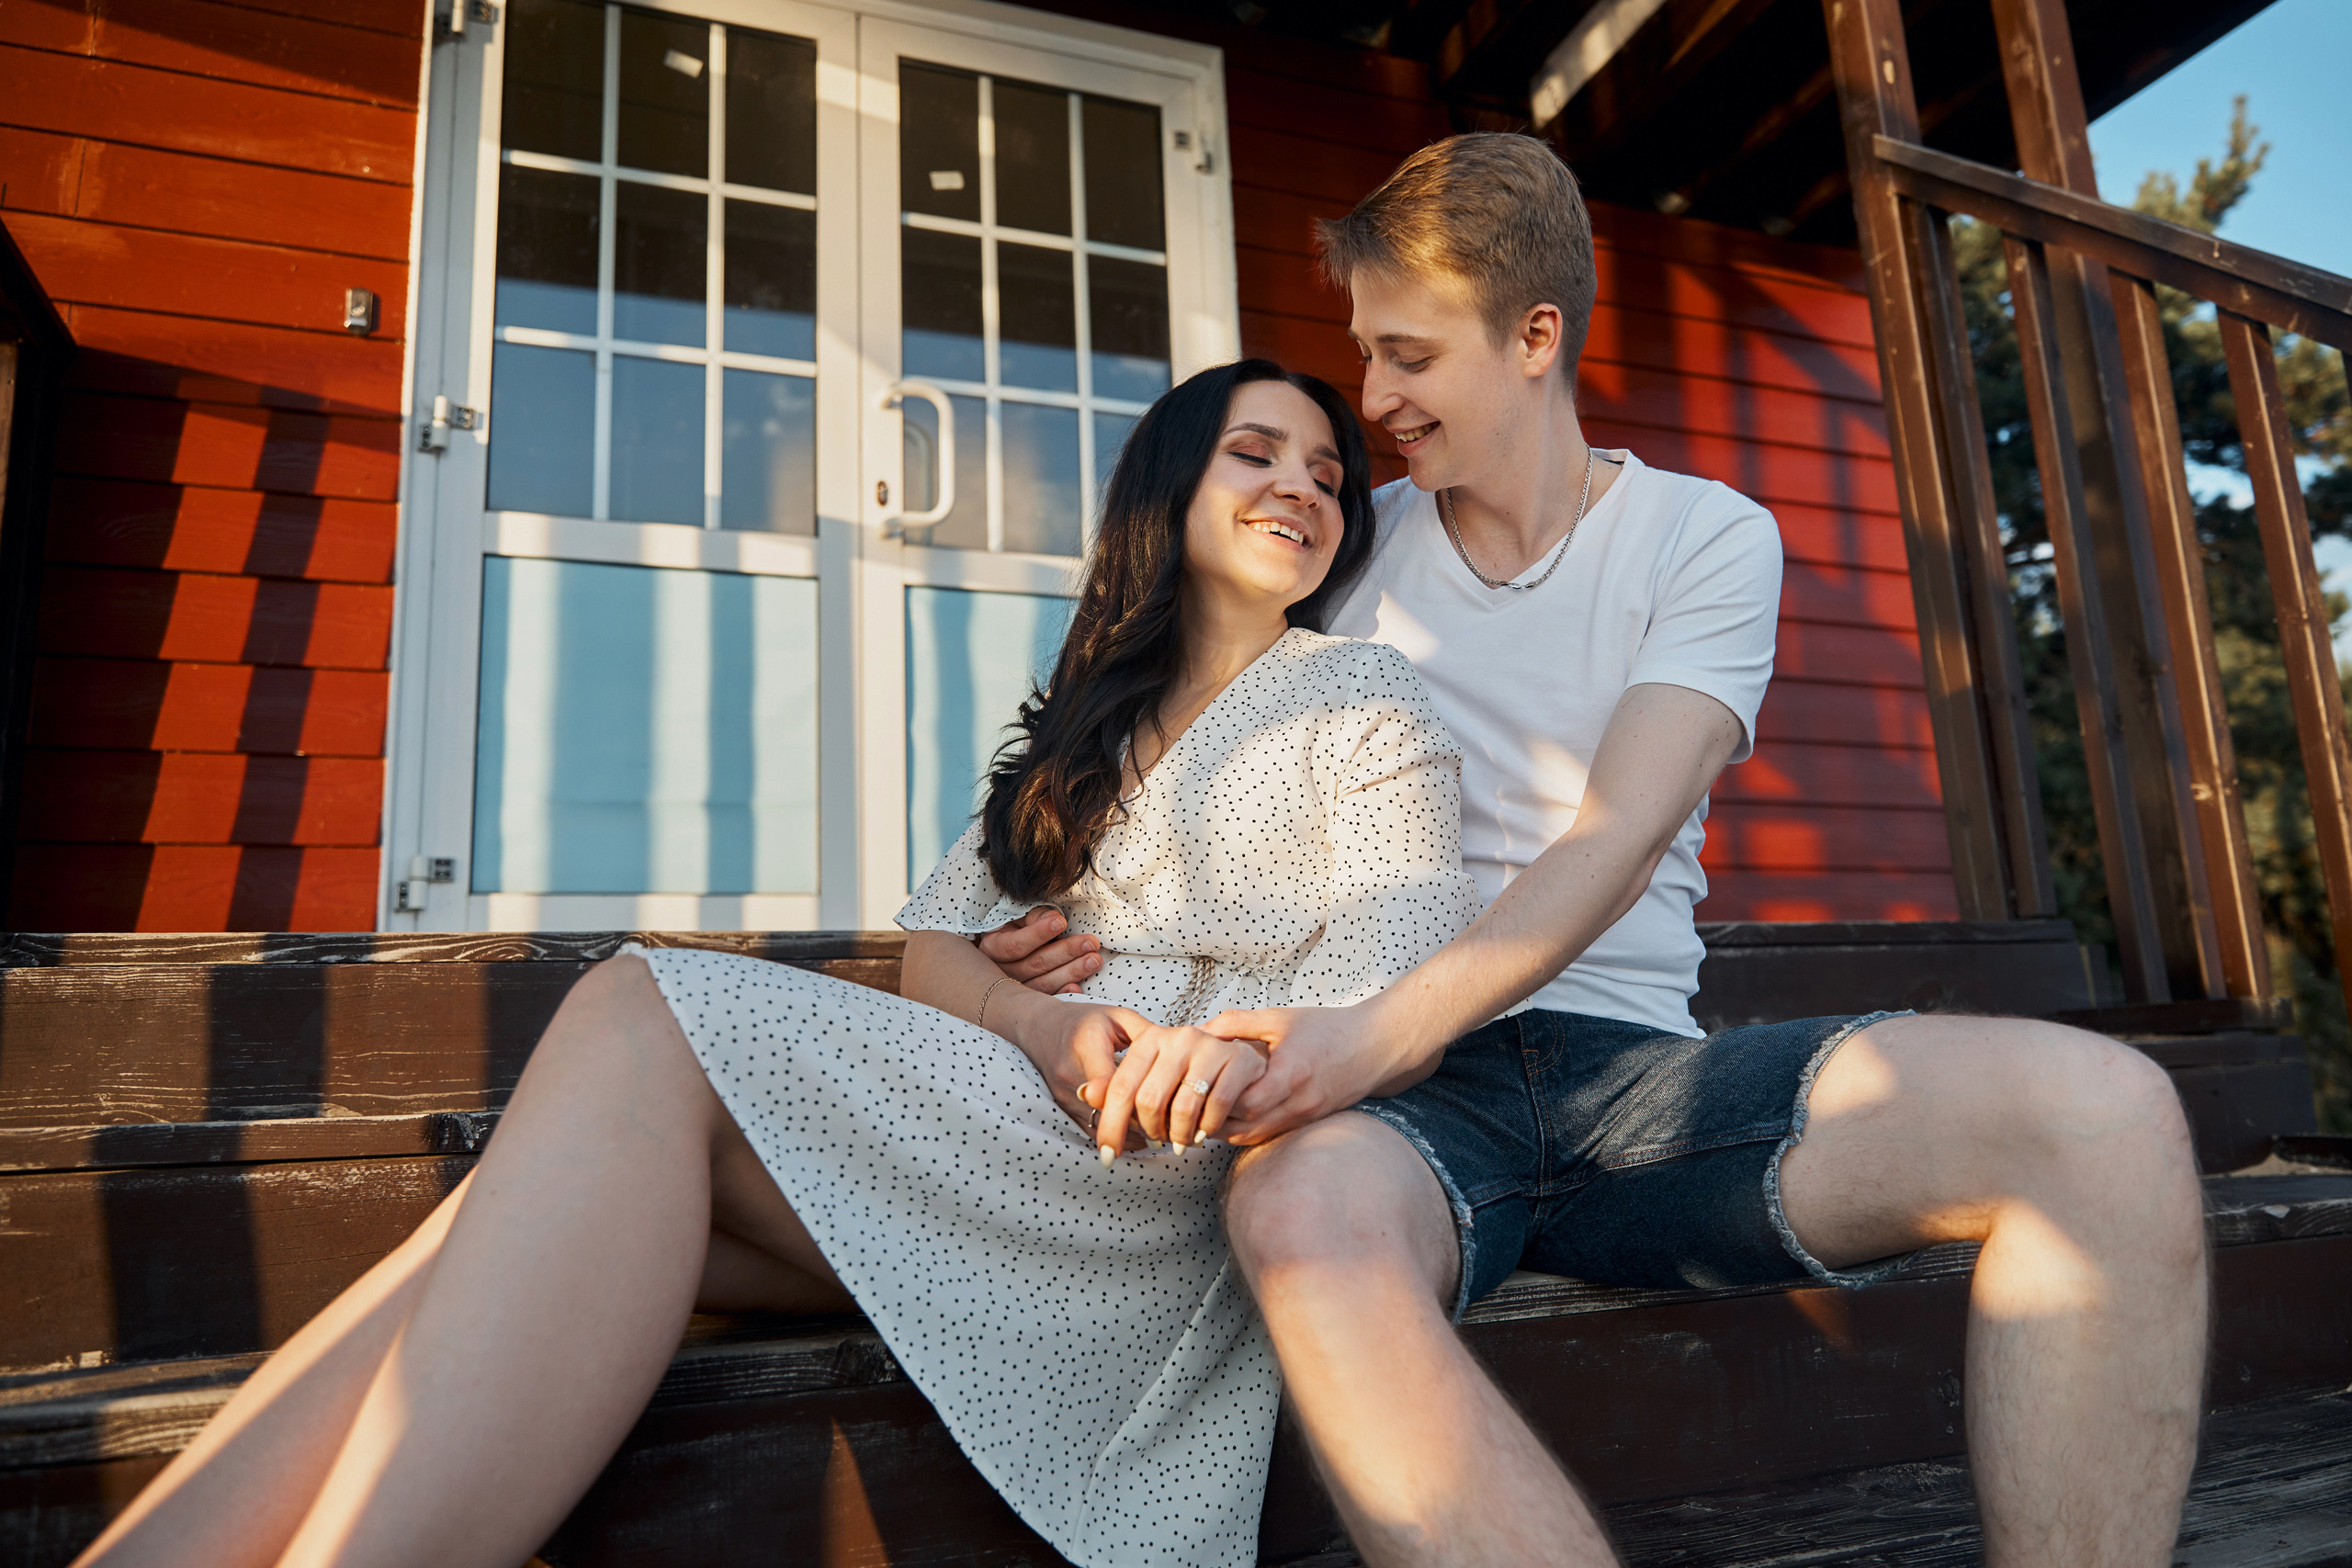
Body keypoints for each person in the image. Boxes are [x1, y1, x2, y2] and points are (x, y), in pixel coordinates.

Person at [979, 135, 2211, 1568]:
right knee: (1305, 1215)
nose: (1369, 402)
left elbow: (1621, 831)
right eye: (1364, 357)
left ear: (1535, 337)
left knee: (2107, 1111)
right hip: (1395, 1104)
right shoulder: (1340, 549)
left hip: (1633, 1076)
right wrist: (1062, 913)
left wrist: (1376, 1032)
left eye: (1408, 356)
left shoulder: (1703, 536)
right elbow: (1173, 719)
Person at [68, 360, 1482, 1568]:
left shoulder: (1362, 697)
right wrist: (1029, 1021)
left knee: (638, 1009)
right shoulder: (1084, 729)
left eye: (1330, 472)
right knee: (510, 1214)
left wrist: (1213, 1047)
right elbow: (937, 945)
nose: (1305, 484)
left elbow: (1391, 959)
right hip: (1008, 1123)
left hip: (1157, 1170)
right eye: (1256, 453)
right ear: (1165, 489)